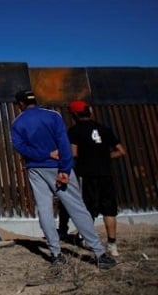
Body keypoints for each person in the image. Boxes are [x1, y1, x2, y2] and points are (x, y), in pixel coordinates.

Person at [10, 90, 116, 269]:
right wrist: (65, 169)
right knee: (77, 208)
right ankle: (100, 254)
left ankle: (56, 254)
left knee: (44, 210)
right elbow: (64, 143)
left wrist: (43, 154)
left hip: (36, 169)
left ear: (20, 104)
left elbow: (20, 147)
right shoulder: (53, 116)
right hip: (59, 167)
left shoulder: (17, 122)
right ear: (34, 100)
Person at [65, 99, 127, 257]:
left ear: (73, 115)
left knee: (87, 208)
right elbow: (121, 151)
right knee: (109, 210)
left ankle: (87, 239)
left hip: (87, 174)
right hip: (106, 173)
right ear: (90, 111)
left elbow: (73, 154)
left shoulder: (74, 131)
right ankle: (112, 245)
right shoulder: (104, 129)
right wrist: (106, 156)